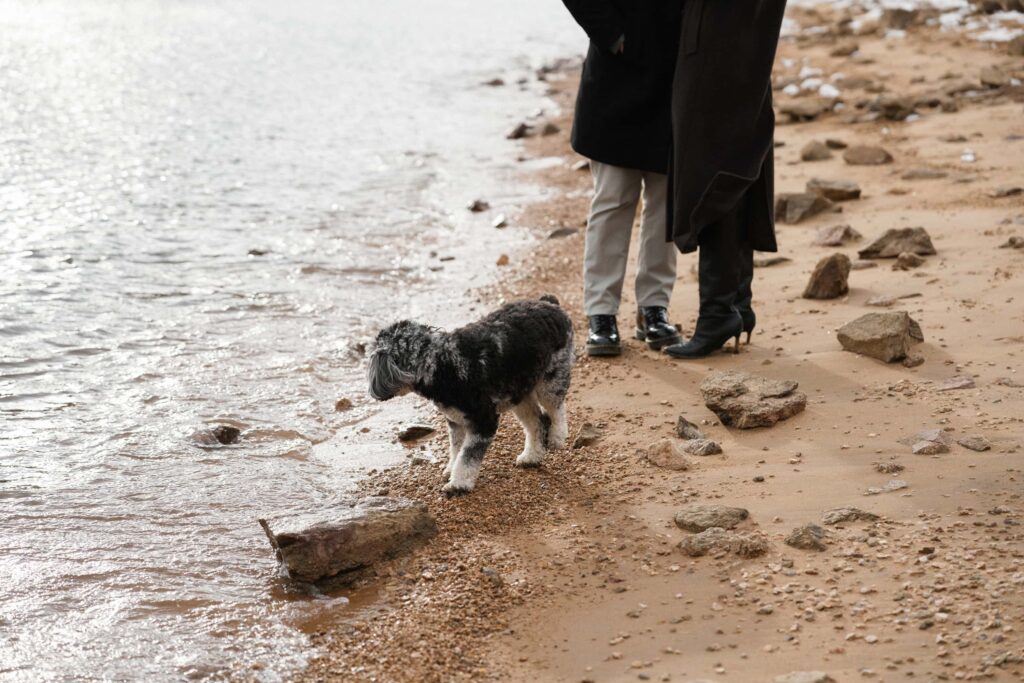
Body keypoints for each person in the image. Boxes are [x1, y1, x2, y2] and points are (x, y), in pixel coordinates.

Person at [663, 0, 788, 359]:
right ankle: (736, 304)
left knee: (714, 173)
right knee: (739, 161)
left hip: (720, 47)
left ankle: (719, 313)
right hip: (739, 45)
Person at [561, 0, 684, 357]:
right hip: (616, 75)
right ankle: (601, 313)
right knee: (613, 199)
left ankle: (654, 309)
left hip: (675, 74)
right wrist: (612, 36)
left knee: (666, 202)